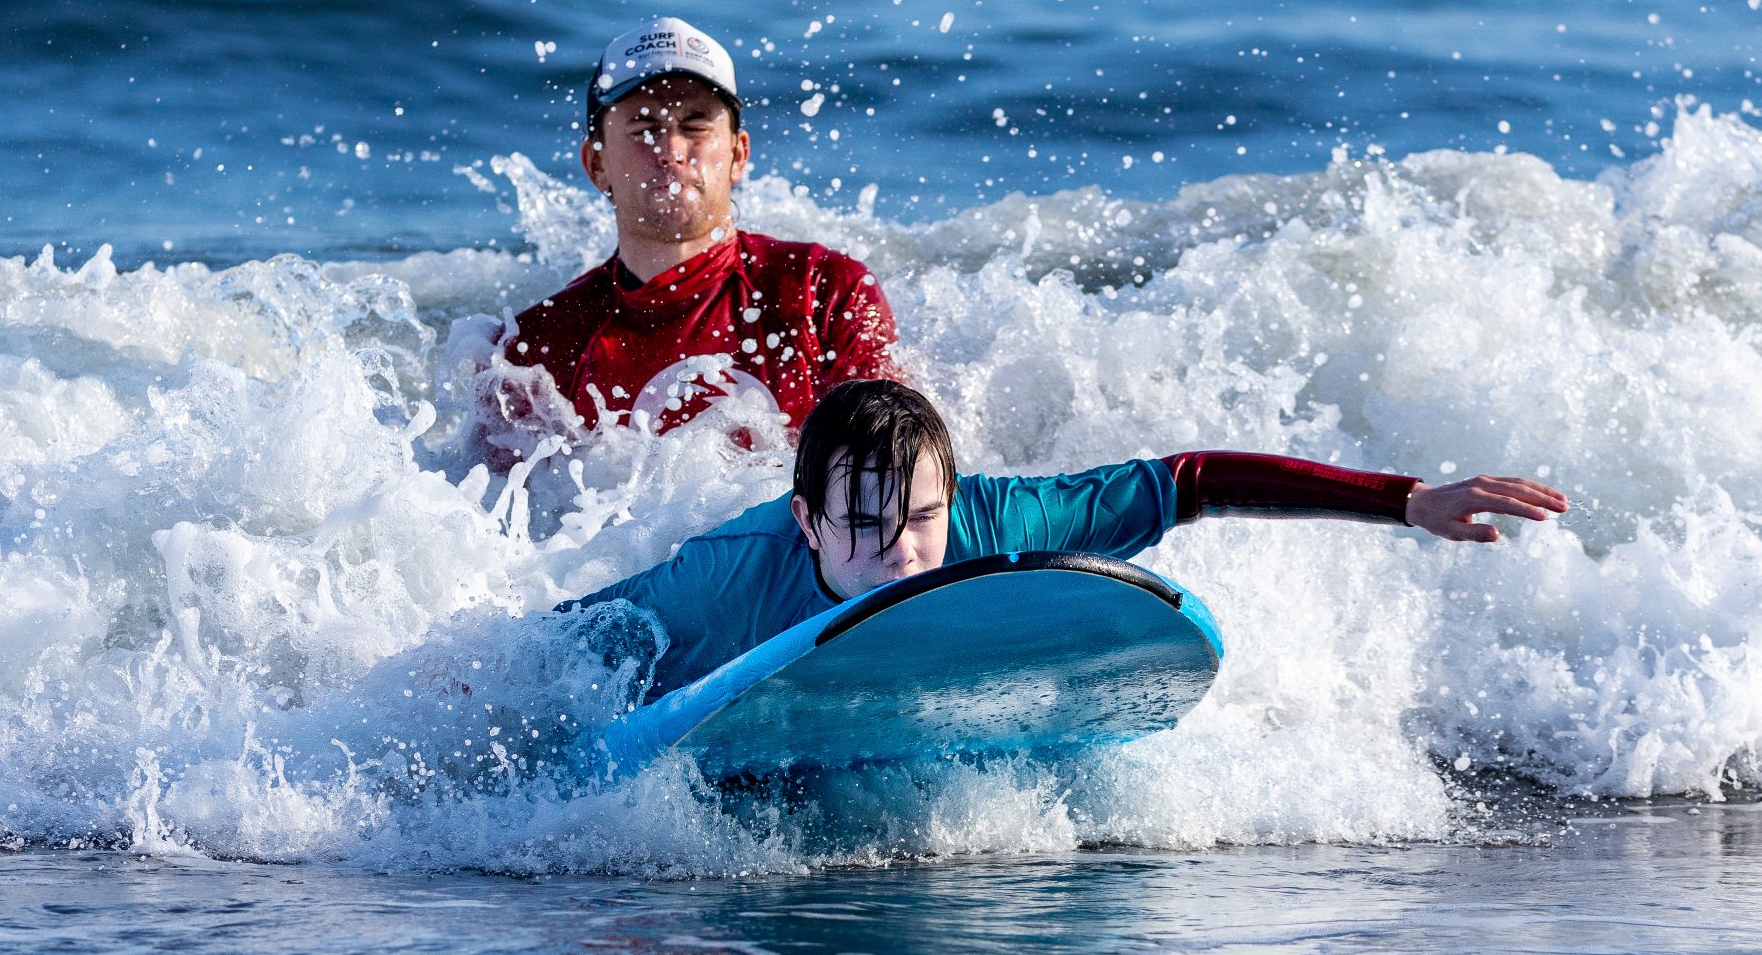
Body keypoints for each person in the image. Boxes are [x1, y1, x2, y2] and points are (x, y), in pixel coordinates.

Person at [571, 380, 1569, 700]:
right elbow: (566, 649)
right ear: (806, 522)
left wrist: (1405, 500)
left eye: (920, 519)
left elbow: (1191, 482)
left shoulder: (993, 524)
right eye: (864, 528)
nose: (902, 553)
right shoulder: (723, 579)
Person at [501, 17, 899, 434]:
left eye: (695, 126)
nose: (672, 149)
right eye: (644, 128)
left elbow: (891, 476)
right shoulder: (539, 350)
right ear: (597, 165)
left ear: (738, 154)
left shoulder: (826, 293)